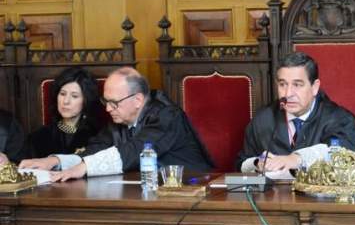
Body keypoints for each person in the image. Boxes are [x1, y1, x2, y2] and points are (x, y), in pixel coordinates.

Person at [20, 67, 213, 180]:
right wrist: (55, 162)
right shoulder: (119, 120)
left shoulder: (167, 116)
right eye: (106, 102)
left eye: (114, 103)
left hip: (191, 191)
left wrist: (84, 167)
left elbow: (135, 150)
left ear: (137, 100)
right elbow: (94, 150)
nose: (107, 109)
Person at [236, 51, 355, 172]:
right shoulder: (263, 119)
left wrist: (296, 159)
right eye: (283, 84)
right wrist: (257, 163)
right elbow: (241, 163)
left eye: (297, 85)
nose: (288, 93)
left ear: (315, 87)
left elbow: (342, 155)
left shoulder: (340, 119)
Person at [28, 67, 101, 158]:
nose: (66, 101)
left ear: (86, 100)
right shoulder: (39, 136)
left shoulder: (98, 137)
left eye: (74, 96)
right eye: (62, 94)